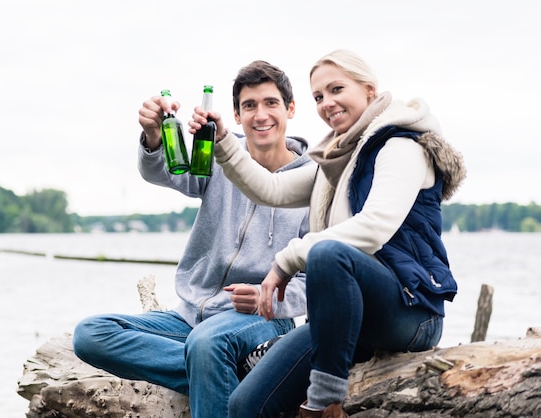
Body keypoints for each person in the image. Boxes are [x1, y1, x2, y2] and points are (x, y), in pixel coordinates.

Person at [189, 49, 466, 417]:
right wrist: (224, 140)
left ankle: (323, 403)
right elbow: (270, 189)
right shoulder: (336, 161)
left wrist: (286, 260)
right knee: (245, 404)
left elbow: (373, 228)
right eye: (318, 96)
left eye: (337, 89)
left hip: (410, 310)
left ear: (369, 90)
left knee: (327, 253)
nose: (327, 103)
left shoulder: (401, 147)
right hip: (343, 315)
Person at [72, 60, 312, 418]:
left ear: (290, 109)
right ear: (236, 114)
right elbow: (167, 173)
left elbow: (315, 278)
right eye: (249, 105)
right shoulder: (220, 155)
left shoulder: (313, 181)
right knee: (90, 334)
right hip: (190, 315)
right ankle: (235, 373)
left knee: (207, 344)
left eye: (270, 103)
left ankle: (215, 363)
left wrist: (270, 298)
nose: (260, 115)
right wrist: (153, 134)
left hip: (261, 318)